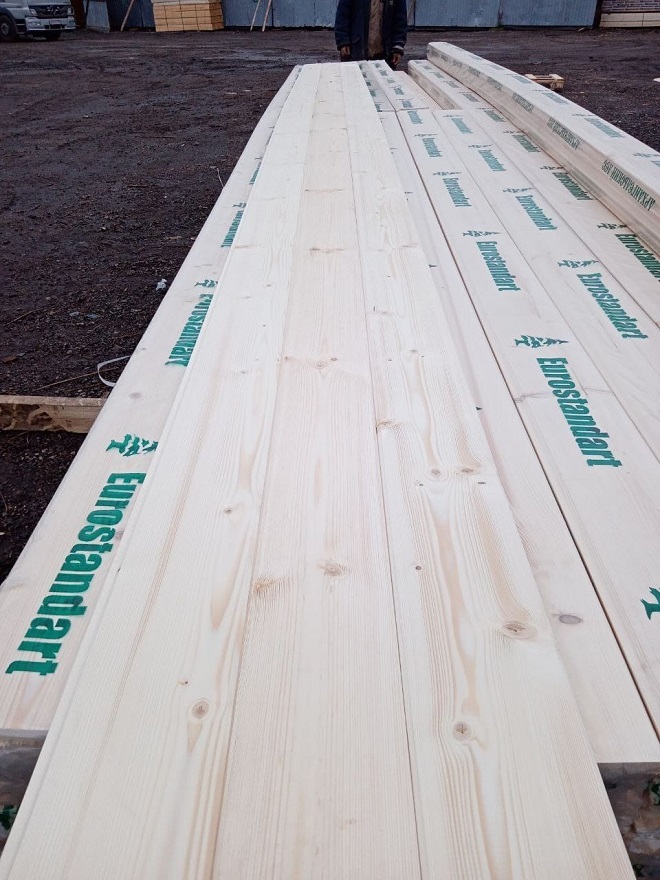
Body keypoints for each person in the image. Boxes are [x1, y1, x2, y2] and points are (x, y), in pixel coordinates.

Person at [334, 0, 407, 69]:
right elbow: (342, 16)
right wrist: (343, 41)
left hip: (384, 52)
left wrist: (397, 46)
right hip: (356, 48)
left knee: (383, 76)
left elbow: (400, 20)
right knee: (355, 76)